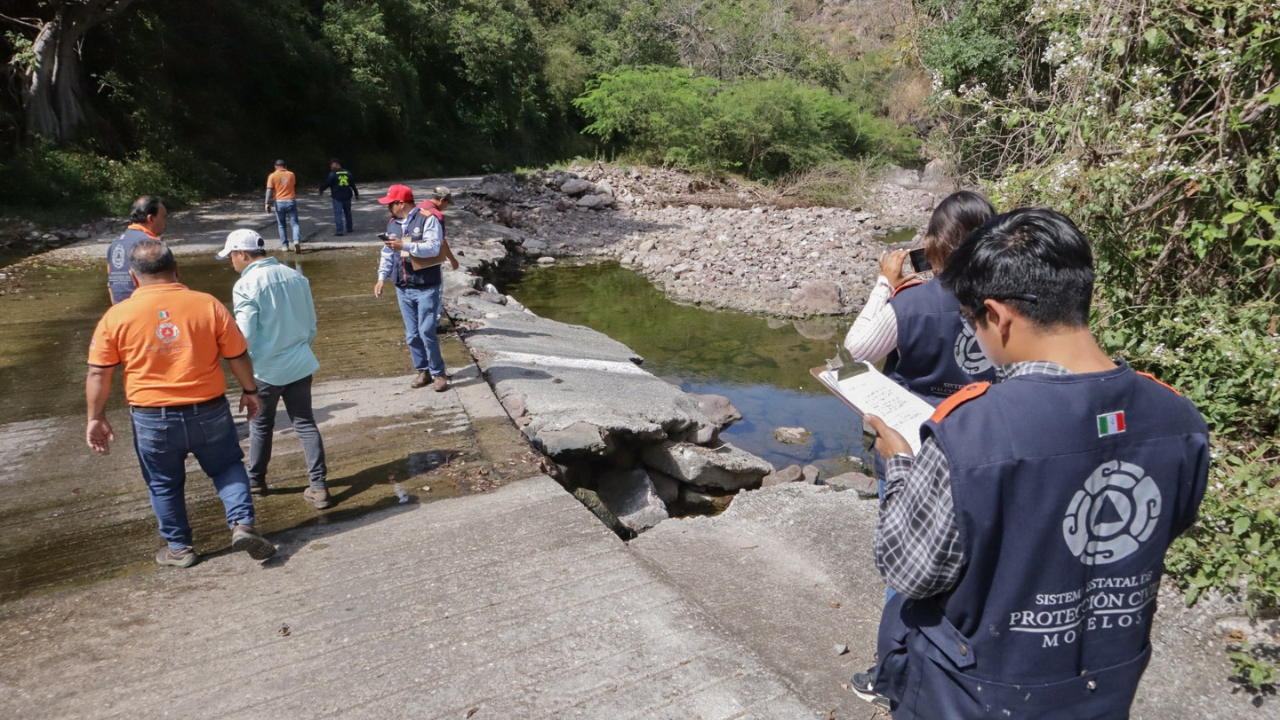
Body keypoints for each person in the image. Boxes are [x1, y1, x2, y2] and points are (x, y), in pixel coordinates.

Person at [861, 208, 1209, 719]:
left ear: (998, 316)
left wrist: (901, 469)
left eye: (971, 320)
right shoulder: (1178, 417)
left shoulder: (970, 431)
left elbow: (911, 572)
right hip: (1104, 686)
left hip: (973, 692)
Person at [85, 240, 276, 567]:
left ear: (133, 276)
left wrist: (96, 416)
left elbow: (98, 373)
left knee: (163, 482)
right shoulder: (207, 304)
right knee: (227, 466)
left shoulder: (116, 316)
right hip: (209, 410)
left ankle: (179, 548)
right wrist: (250, 390)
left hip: (152, 418)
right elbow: (237, 355)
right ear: (176, 269)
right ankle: (242, 524)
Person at [843, 190, 998, 405]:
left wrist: (884, 285)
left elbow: (853, 356)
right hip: (985, 419)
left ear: (934, 242)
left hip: (916, 421)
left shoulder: (909, 304)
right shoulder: (1014, 300)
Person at [217, 229, 330, 509]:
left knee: (260, 425)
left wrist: (240, 368)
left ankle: (256, 480)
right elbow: (311, 324)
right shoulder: (295, 276)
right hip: (300, 362)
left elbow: (244, 336)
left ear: (242, 254)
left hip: (265, 369)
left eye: (231, 256)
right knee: (305, 423)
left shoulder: (245, 285)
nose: (231, 262)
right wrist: (299, 348)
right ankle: (319, 487)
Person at [373, 184, 455, 391]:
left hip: (426, 285)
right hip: (403, 286)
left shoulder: (428, 219)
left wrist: (404, 245)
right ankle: (423, 371)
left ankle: (438, 373)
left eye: (390, 204)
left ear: (401, 203)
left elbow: (433, 248)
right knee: (412, 335)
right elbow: (387, 253)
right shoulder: (392, 224)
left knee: (426, 331)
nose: (388, 207)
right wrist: (382, 277)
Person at [106, 195, 167, 304]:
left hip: (120, 309)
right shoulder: (152, 245)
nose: (165, 222)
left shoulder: (115, 244)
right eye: (163, 217)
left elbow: (111, 286)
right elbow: (165, 284)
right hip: (145, 308)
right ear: (151, 218)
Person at [265, 159, 301, 252]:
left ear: (275, 167)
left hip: (279, 202)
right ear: (285, 166)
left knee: (281, 225)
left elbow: (269, 190)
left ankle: (285, 246)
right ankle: (296, 241)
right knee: (295, 224)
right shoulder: (291, 174)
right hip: (291, 201)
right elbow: (293, 184)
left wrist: (267, 203)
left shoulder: (272, 176)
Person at [318, 158, 359, 236]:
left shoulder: (333, 174)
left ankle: (339, 231)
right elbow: (353, 185)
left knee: (338, 213)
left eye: (331, 164)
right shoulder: (347, 173)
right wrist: (356, 194)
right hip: (347, 195)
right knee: (348, 212)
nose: (330, 166)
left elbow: (327, 183)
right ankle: (349, 228)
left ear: (337, 164)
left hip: (337, 196)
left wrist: (321, 189)